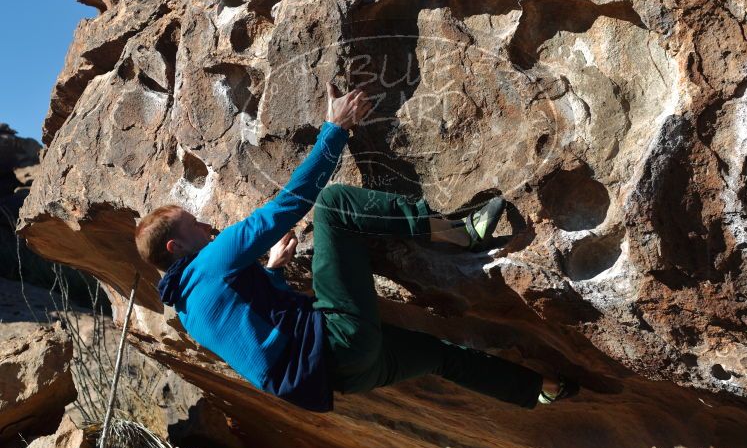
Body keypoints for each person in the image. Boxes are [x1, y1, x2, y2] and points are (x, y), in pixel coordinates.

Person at [135, 82, 578, 412]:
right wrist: (335, 129)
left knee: (442, 357)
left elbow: (255, 336)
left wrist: (270, 272)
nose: (207, 224)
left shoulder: (189, 312)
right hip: (337, 340)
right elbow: (288, 206)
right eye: (194, 225)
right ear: (176, 247)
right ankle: (458, 234)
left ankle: (542, 390)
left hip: (345, 376)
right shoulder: (211, 263)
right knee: (332, 205)